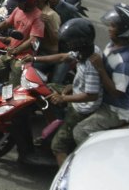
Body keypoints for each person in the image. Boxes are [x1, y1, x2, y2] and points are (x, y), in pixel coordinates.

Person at [34, 18, 102, 166]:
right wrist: (34, 58)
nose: (68, 45)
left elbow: (91, 95)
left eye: (71, 42)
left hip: (81, 109)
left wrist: (63, 99)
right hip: (74, 91)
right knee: (43, 89)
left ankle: (64, 180)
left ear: (80, 42)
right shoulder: (86, 51)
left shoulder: (92, 64)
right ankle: (55, 123)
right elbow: (62, 57)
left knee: (58, 146)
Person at [73, 3, 129, 146]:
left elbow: (117, 92)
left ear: (123, 31)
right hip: (102, 100)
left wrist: (100, 68)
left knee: (80, 131)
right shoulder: (112, 45)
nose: (109, 29)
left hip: (114, 110)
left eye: (113, 26)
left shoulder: (124, 61)